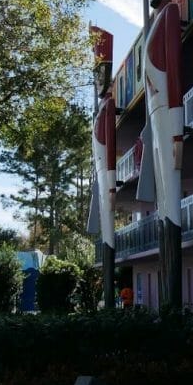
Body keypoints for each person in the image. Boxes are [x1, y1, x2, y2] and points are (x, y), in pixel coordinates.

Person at [138, 0, 184, 310]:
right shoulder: (155, 22)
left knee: (172, 206)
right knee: (163, 204)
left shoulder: (169, 16)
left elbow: (175, 81)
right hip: (156, 121)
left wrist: (178, 130)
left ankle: (172, 308)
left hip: (169, 118)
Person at [91, 25, 118, 310]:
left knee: (110, 238)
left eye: (101, 73)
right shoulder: (100, 109)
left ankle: (110, 302)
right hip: (101, 181)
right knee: (105, 236)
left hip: (106, 179)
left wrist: (111, 186)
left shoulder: (109, 107)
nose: (97, 80)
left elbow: (110, 148)